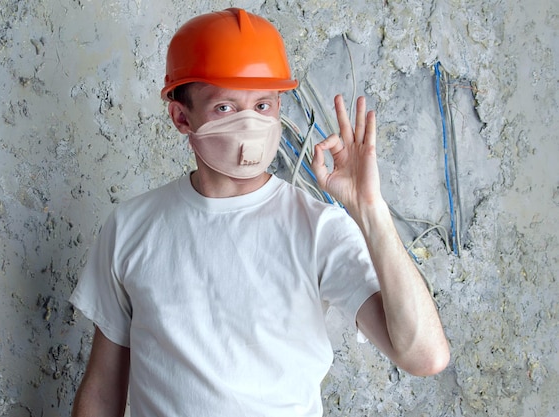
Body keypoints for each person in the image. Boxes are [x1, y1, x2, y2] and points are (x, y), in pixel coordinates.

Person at [69, 8, 450, 417]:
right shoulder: (130, 227)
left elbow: (424, 356)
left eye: (264, 106)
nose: (251, 124)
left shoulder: (319, 228)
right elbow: (102, 391)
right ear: (182, 116)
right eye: (226, 108)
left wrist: (371, 210)